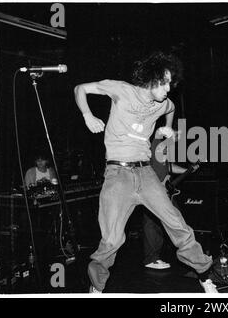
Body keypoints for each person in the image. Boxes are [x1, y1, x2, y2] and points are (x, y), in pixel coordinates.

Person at [74, 51, 217, 293]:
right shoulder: (120, 89)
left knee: (177, 224)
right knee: (111, 239)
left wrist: (168, 130)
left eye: (172, 82)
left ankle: (205, 277)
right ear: (152, 78)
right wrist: (88, 115)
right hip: (118, 174)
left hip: (146, 173)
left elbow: (171, 109)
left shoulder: (162, 103)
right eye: (166, 81)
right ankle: (96, 289)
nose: (169, 88)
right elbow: (80, 89)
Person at [142, 134, 187, 270]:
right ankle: (151, 259)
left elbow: (167, 167)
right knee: (152, 224)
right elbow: (147, 167)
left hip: (161, 191)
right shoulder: (156, 142)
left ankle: (186, 254)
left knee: (175, 221)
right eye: (176, 132)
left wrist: (187, 171)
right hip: (153, 190)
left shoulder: (164, 147)